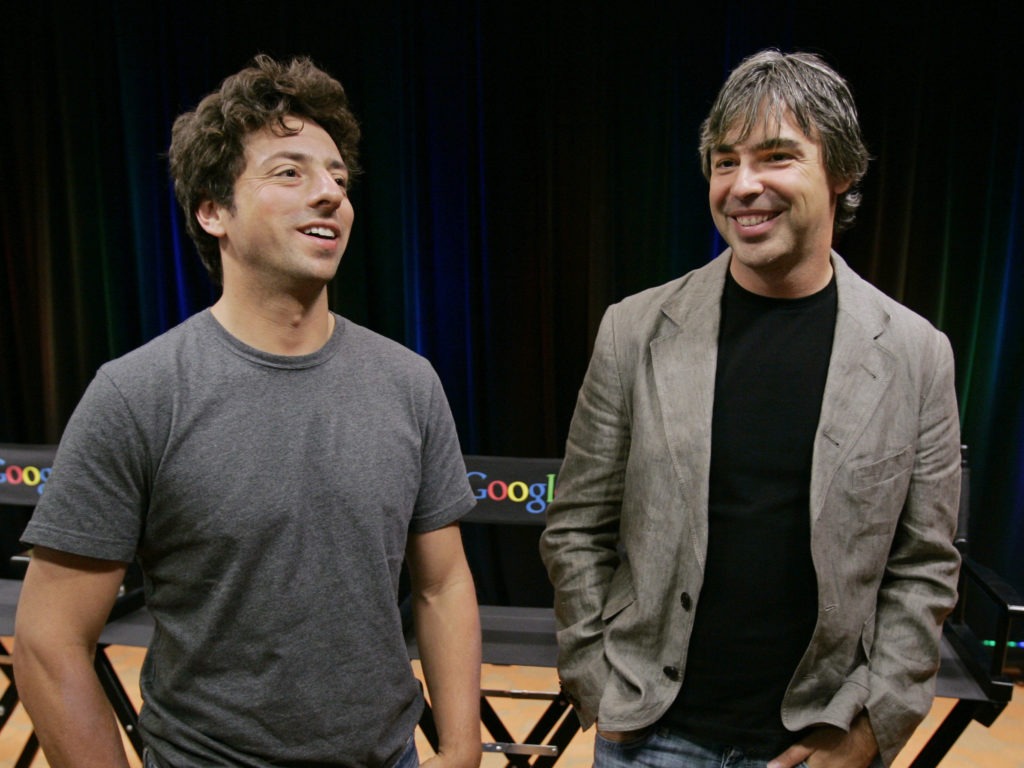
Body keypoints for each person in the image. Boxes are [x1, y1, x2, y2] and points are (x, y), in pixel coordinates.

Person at [14, 55, 482, 768]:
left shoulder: (408, 383)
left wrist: (460, 749)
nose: (329, 193)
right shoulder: (137, 395)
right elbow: (49, 644)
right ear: (212, 210)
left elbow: (444, 582)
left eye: (337, 176)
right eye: (290, 172)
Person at [540, 49, 961, 768]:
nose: (744, 185)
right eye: (725, 160)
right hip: (652, 736)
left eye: (775, 157)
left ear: (842, 172)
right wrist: (597, 679)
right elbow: (577, 523)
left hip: (821, 739)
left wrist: (870, 731)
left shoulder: (917, 355)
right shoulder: (634, 330)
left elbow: (924, 567)